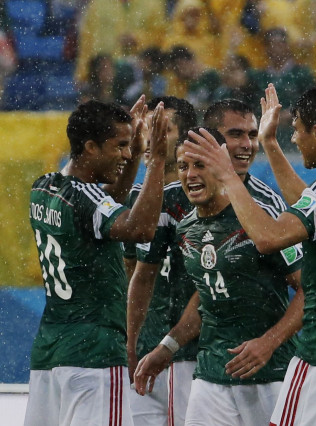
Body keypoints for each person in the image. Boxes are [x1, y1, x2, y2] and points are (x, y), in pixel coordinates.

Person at [181, 84, 316, 425]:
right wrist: (269, 144)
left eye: (295, 130)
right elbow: (315, 207)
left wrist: (227, 175)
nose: (294, 139)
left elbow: (268, 238)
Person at [134, 127, 304, 425]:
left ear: (223, 166)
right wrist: (166, 348)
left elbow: (309, 290)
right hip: (211, 373)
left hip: (269, 374)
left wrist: (267, 343)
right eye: (184, 166)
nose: (190, 175)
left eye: (200, 164)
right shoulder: (186, 229)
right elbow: (207, 298)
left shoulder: (263, 221)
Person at [24, 97, 168, 425]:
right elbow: (141, 229)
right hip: (94, 351)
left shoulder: (43, 187)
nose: (128, 154)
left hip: (50, 351)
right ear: (90, 147)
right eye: (119, 146)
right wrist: (156, 161)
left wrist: (130, 150)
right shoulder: (85, 198)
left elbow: (106, 203)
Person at [126, 96, 198, 426]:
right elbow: (129, 276)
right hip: (143, 351)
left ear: (185, 139)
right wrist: (130, 341)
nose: (153, 138)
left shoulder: (207, 202)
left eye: (163, 129)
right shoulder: (131, 203)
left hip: (190, 354)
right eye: (147, 130)